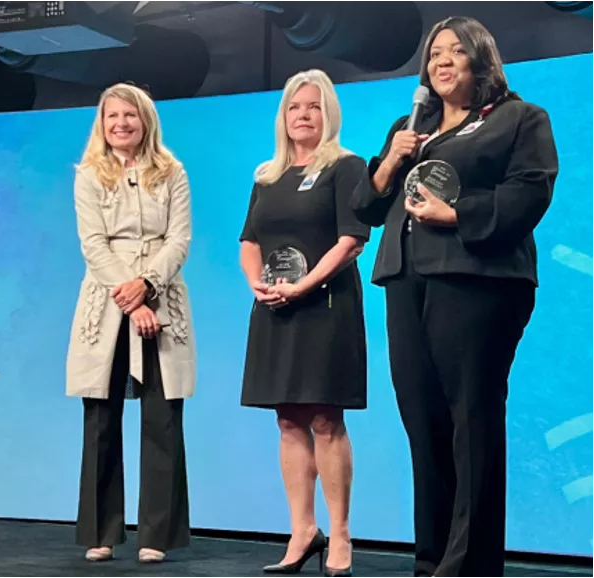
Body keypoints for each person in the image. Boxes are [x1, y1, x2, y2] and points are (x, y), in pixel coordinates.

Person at [350, 16, 558, 578]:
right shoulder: (409, 126)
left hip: (477, 280)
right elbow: (365, 209)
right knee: (424, 421)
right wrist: (392, 159)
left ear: (480, 60)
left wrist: (457, 213)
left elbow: (531, 188)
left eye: (454, 52)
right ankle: (431, 559)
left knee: (472, 419)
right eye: (434, 54)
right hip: (406, 279)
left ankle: (470, 564)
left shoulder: (519, 119)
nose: (441, 62)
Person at [239, 69, 371, 578]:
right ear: (284, 117)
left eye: (314, 107)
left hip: (325, 306)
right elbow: (249, 242)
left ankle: (339, 535)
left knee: (324, 419)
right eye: (296, 107)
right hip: (275, 306)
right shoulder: (267, 176)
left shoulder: (346, 167)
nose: (303, 115)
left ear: (328, 114)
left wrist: (305, 284)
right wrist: (259, 284)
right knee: (288, 419)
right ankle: (302, 530)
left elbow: (351, 239)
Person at [65, 82, 196, 564]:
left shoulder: (172, 171)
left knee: (163, 417)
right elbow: (92, 243)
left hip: (161, 296)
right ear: (102, 123)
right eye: (112, 116)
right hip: (107, 299)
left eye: (130, 116)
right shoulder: (88, 174)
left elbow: (179, 239)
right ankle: (100, 532)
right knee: (101, 417)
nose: (121, 124)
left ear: (146, 121)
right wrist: (131, 297)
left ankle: (156, 535)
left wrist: (148, 286)